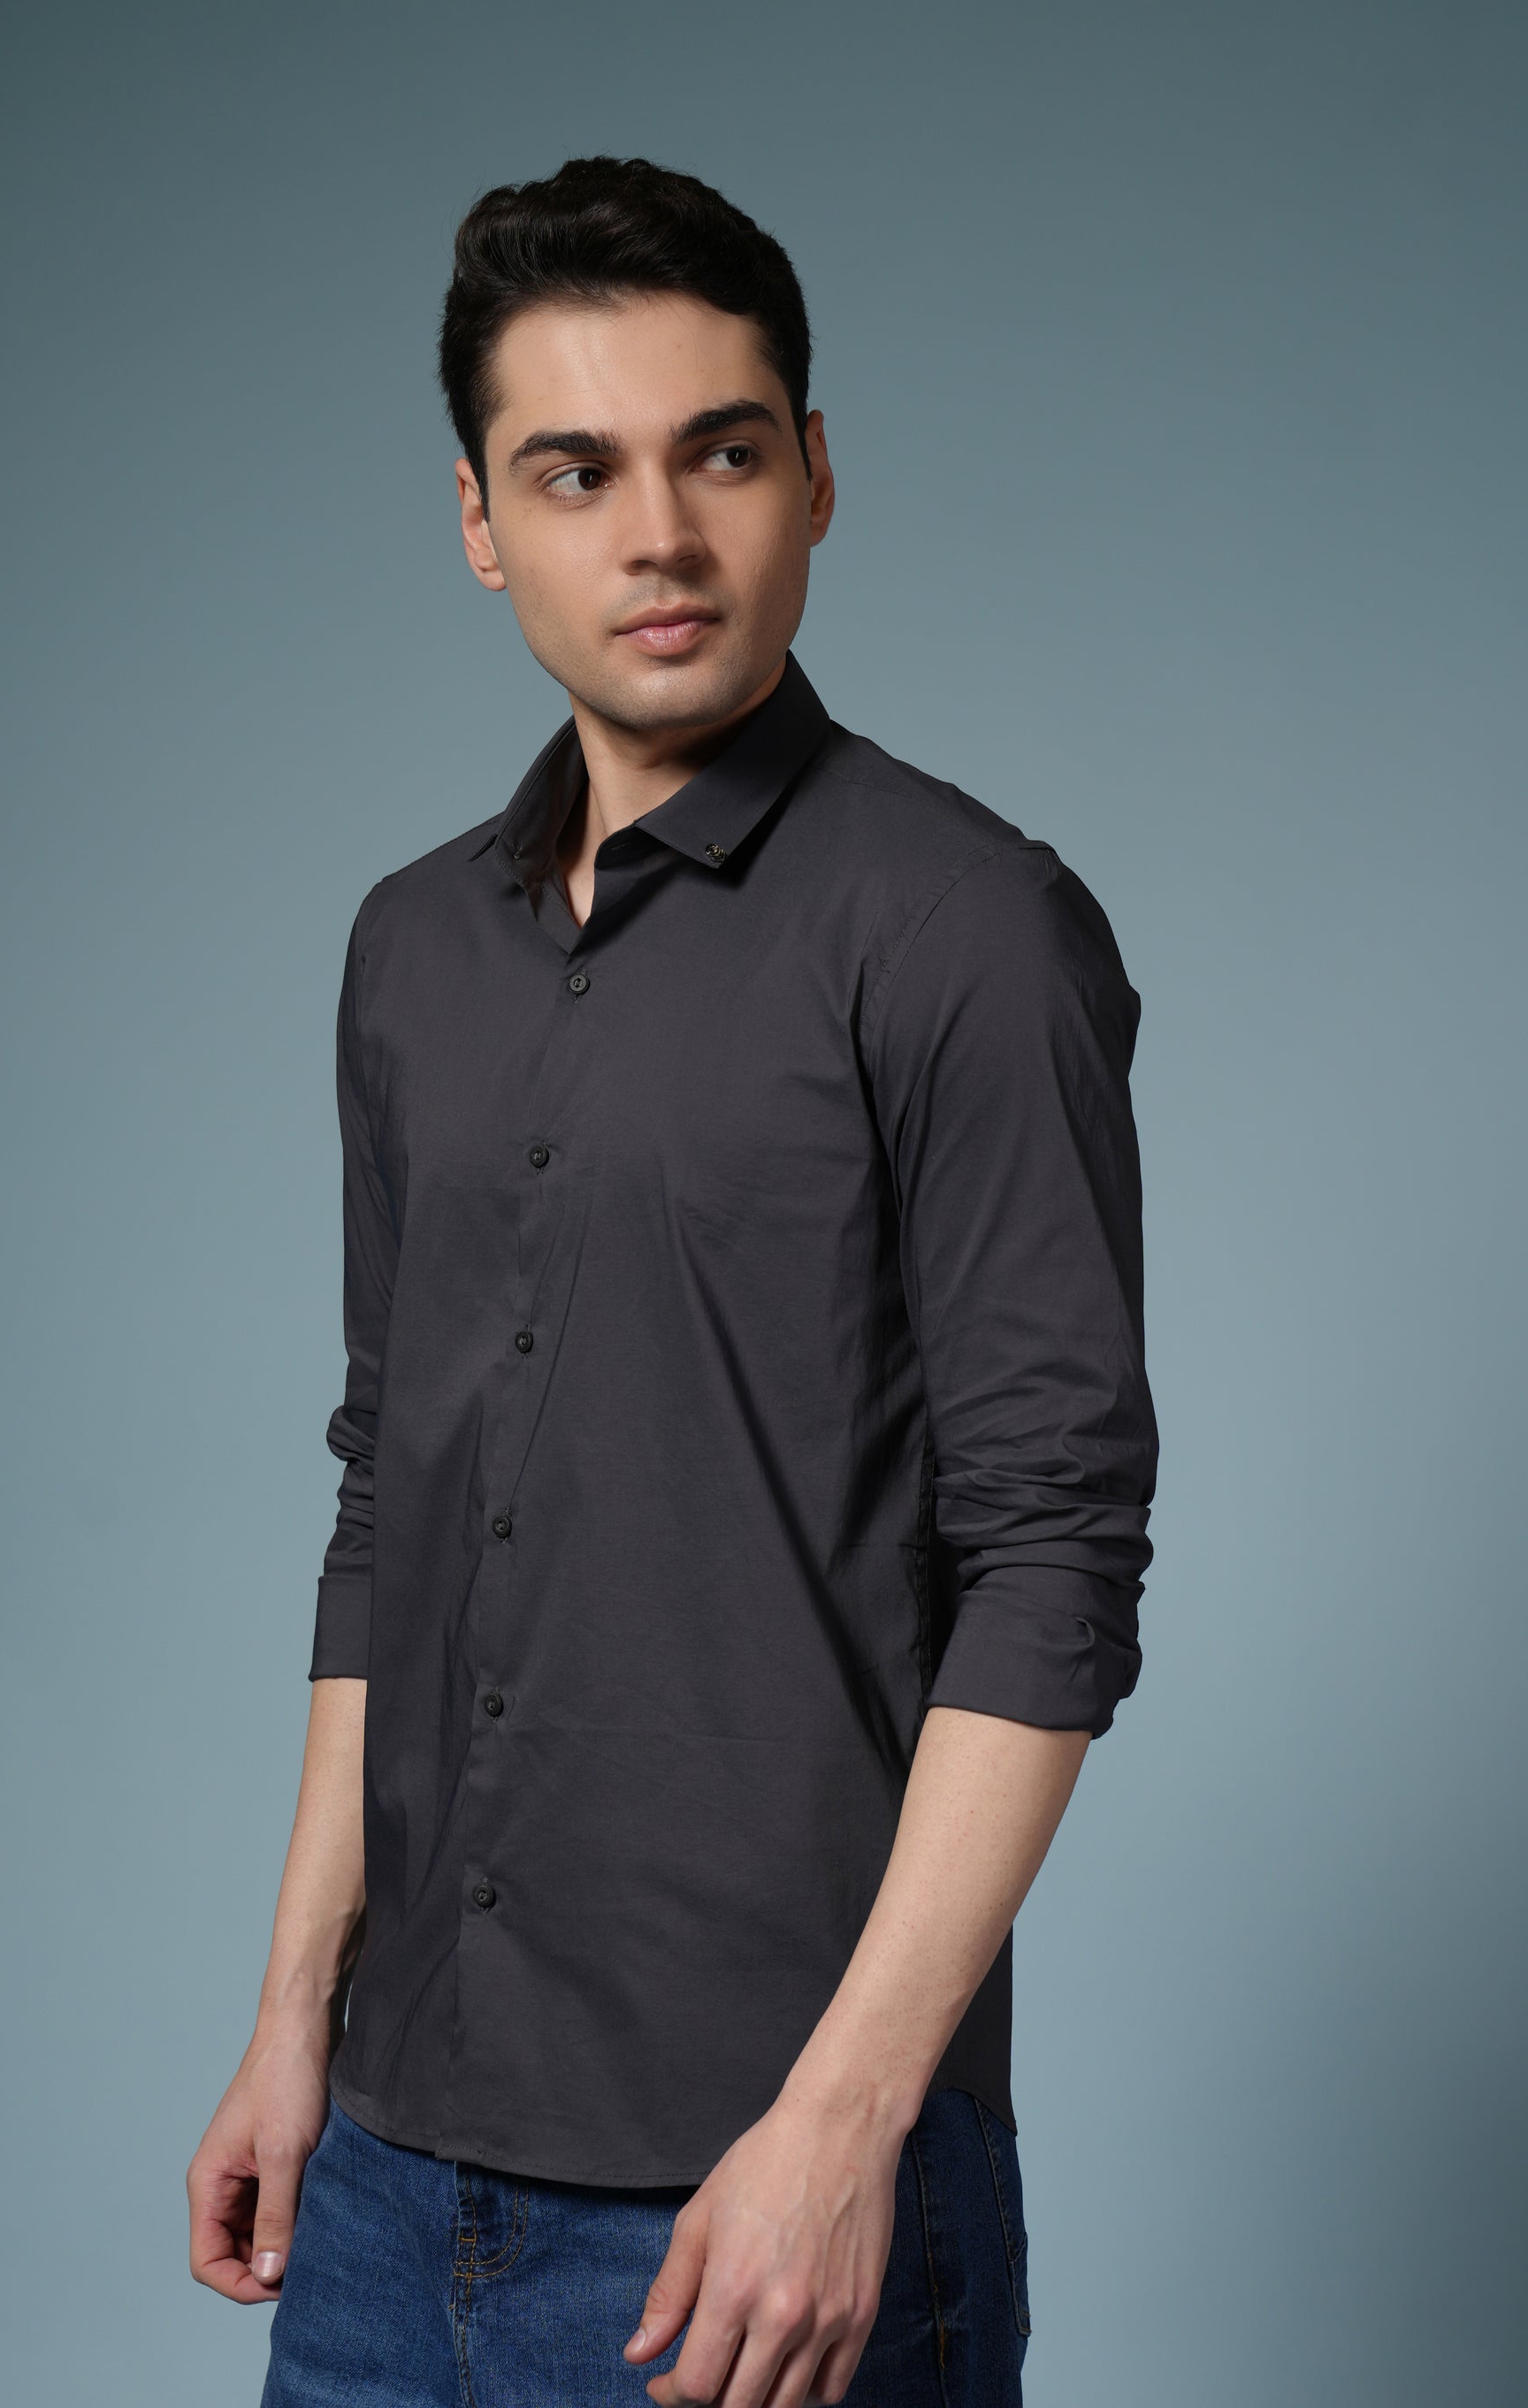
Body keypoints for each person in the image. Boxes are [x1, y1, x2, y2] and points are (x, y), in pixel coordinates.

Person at [187, 154, 1157, 2408]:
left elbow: (1053, 1556)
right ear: (477, 519)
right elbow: (389, 1498)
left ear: (813, 474)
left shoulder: (964, 932)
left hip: (761, 2193)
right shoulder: (409, 949)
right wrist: (291, 2016)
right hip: (383, 2184)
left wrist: (842, 2127)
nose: (659, 536)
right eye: (574, 471)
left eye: (719, 454)